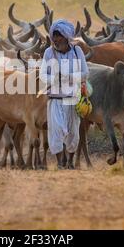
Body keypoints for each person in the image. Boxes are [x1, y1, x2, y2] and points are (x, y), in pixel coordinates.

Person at [40, 19, 88, 169]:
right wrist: (56, 78)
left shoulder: (77, 51)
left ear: (66, 37)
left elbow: (85, 73)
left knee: (73, 132)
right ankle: (60, 163)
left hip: (73, 99)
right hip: (55, 99)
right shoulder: (49, 52)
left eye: (59, 36)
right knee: (57, 131)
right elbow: (42, 75)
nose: (55, 39)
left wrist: (68, 77)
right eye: (54, 36)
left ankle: (70, 162)